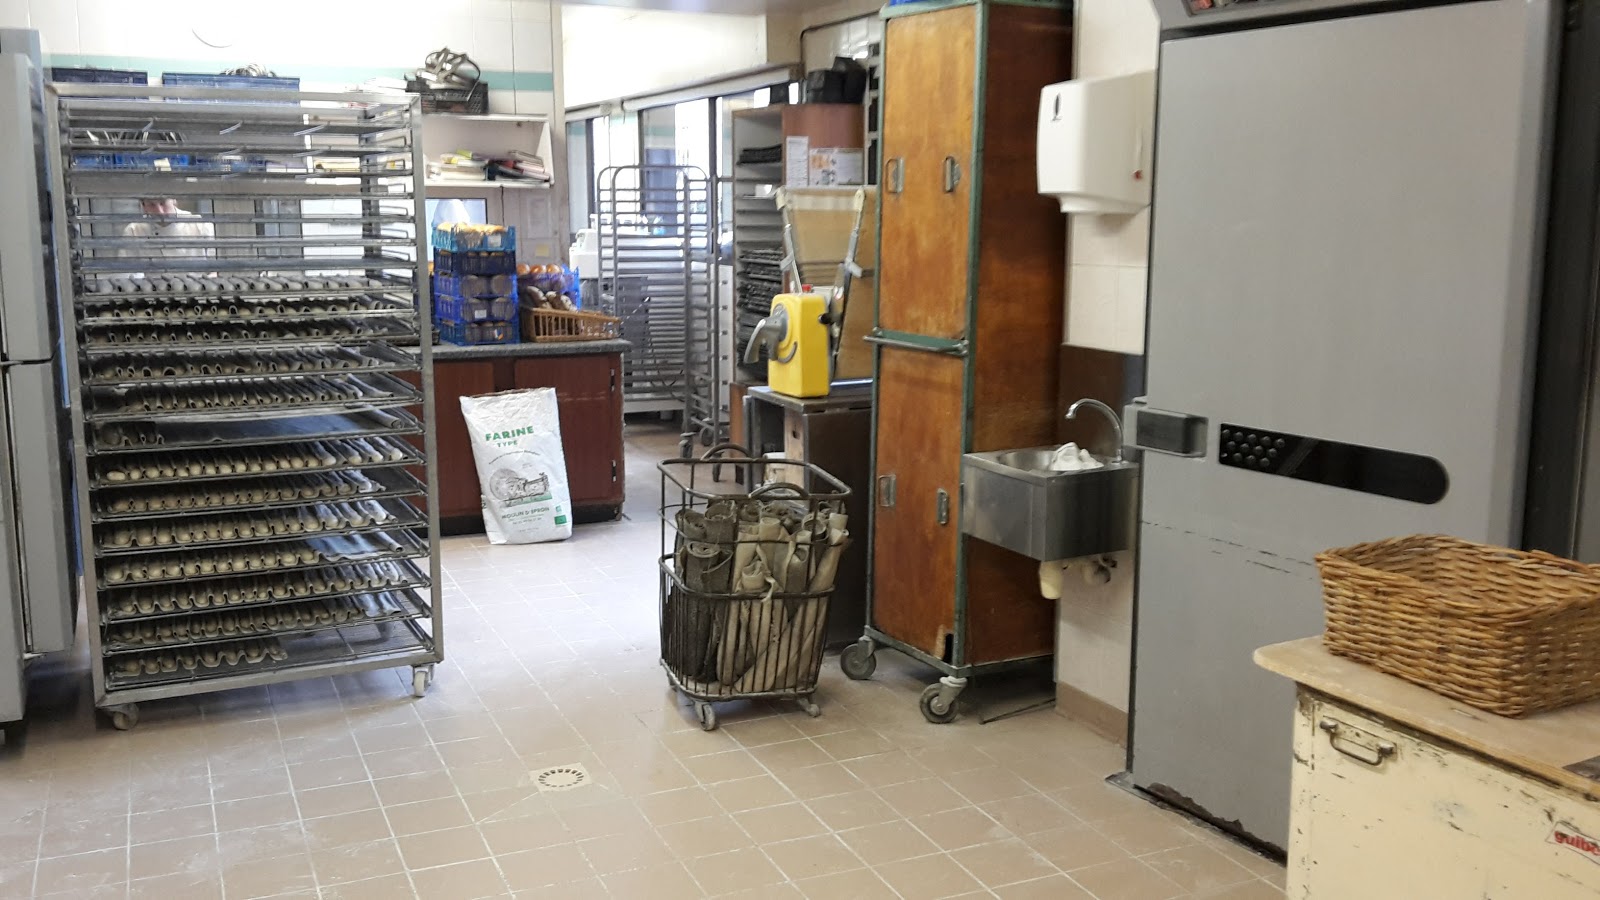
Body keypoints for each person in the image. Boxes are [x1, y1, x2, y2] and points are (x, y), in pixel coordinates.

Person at [121, 199, 215, 274]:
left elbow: (215, 272)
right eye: (151, 205)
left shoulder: (202, 227)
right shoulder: (134, 232)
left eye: (163, 203)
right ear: (144, 207)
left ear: (173, 200)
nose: (160, 212)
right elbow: (127, 274)